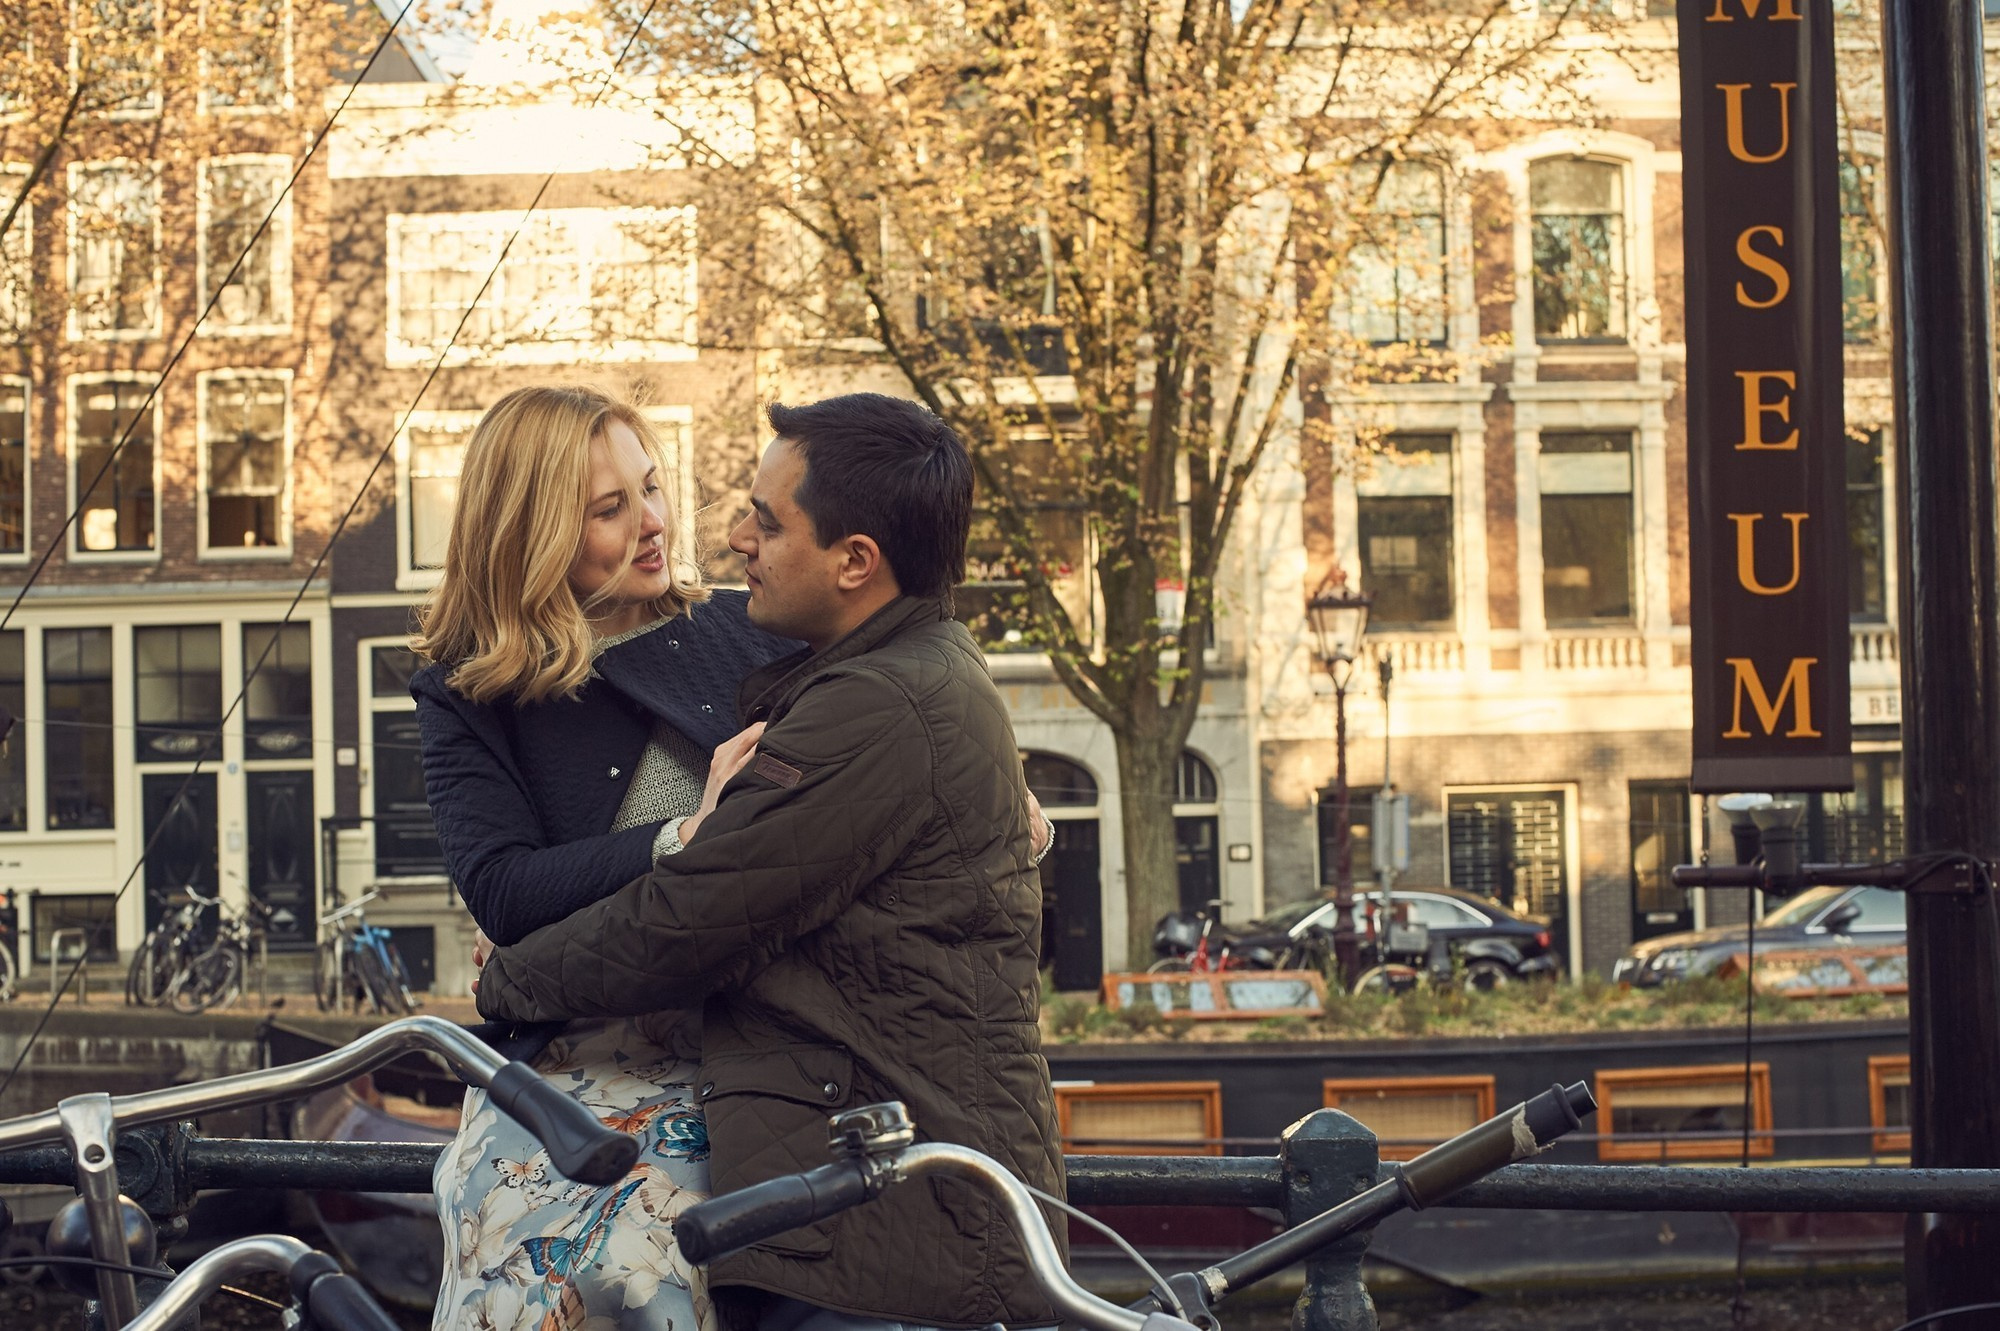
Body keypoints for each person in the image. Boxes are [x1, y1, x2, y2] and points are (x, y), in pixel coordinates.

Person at [474, 393, 1067, 1331]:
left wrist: (504, 977)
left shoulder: (867, 699)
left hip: (878, 1219)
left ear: (854, 560)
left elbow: (690, 920)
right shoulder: (875, 668)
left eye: (767, 517)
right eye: (610, 504)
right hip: (858, 1178)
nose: (732, 535)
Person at [409, 384, 797, 1331]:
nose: (655, 523)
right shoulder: (472, 690)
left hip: (745, 1036)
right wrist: (679, 835)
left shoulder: (753, 631)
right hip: (573, 1049)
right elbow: (503, 889)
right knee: (534, 1262)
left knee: (658, 1254)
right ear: (533, 528)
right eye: (609, 508)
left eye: (652, 487)